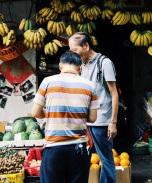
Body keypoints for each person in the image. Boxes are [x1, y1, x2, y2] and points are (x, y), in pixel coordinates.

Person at [31, 50, 99, 183]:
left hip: (54, 148)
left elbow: (35, 113)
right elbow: (92, 118)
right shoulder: (90, 86)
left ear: (60, 66)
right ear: (80, 67)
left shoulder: (47, 82)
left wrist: (49, 113)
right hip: (78, 149)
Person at [69, 32, 119, 183]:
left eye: (75, 50)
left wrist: (113, 122)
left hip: (101, 121)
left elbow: (114, 94)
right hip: (85, 121)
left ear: (86, 45)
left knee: (106, 159)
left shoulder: (104, 63)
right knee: (85, 158)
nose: (73, 54)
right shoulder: (82, 65)